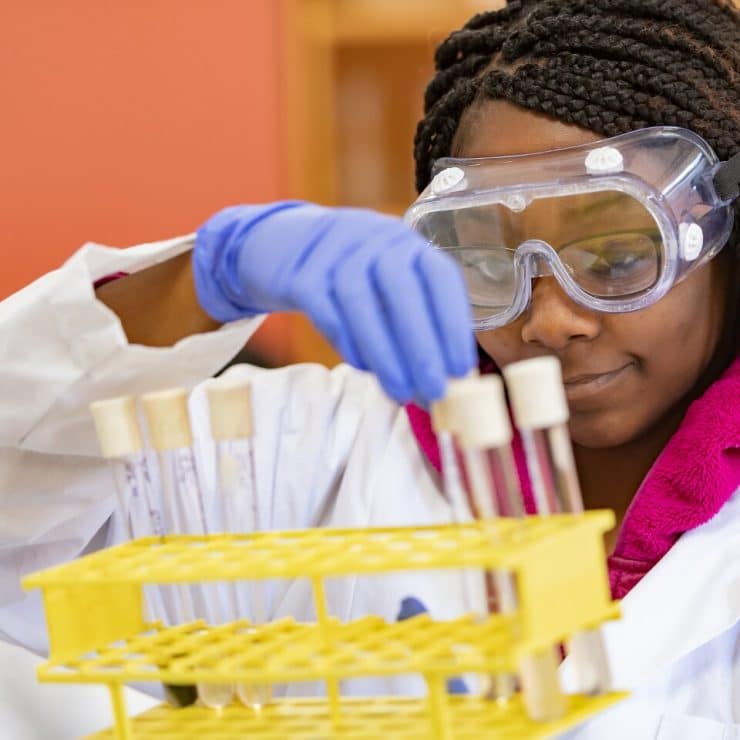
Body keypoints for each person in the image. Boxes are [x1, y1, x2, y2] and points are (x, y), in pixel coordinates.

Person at [1, 0, 738, 737]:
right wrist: (199, 281)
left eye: (614, 257)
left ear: (718, 230)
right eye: (484, 262)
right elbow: (18, 524)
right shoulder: (309, 452)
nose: (547, 320)